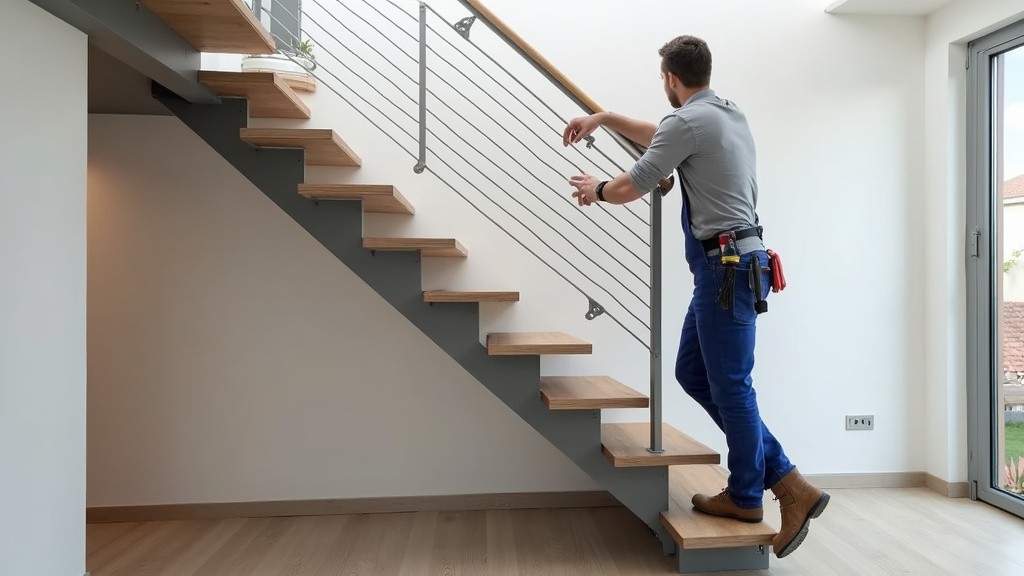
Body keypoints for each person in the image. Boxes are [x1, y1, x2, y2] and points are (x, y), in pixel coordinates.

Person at [563, 35, 828, 559]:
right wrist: (606, 118)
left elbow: (637, 181)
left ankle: (753, 494)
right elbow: (665, 136)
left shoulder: (688, 123)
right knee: (693, 372)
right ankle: (786, 481)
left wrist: (598, 189)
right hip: (730, 267)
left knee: (732, 386)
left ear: (670, 78)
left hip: (726, 269)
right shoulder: (725, 114)